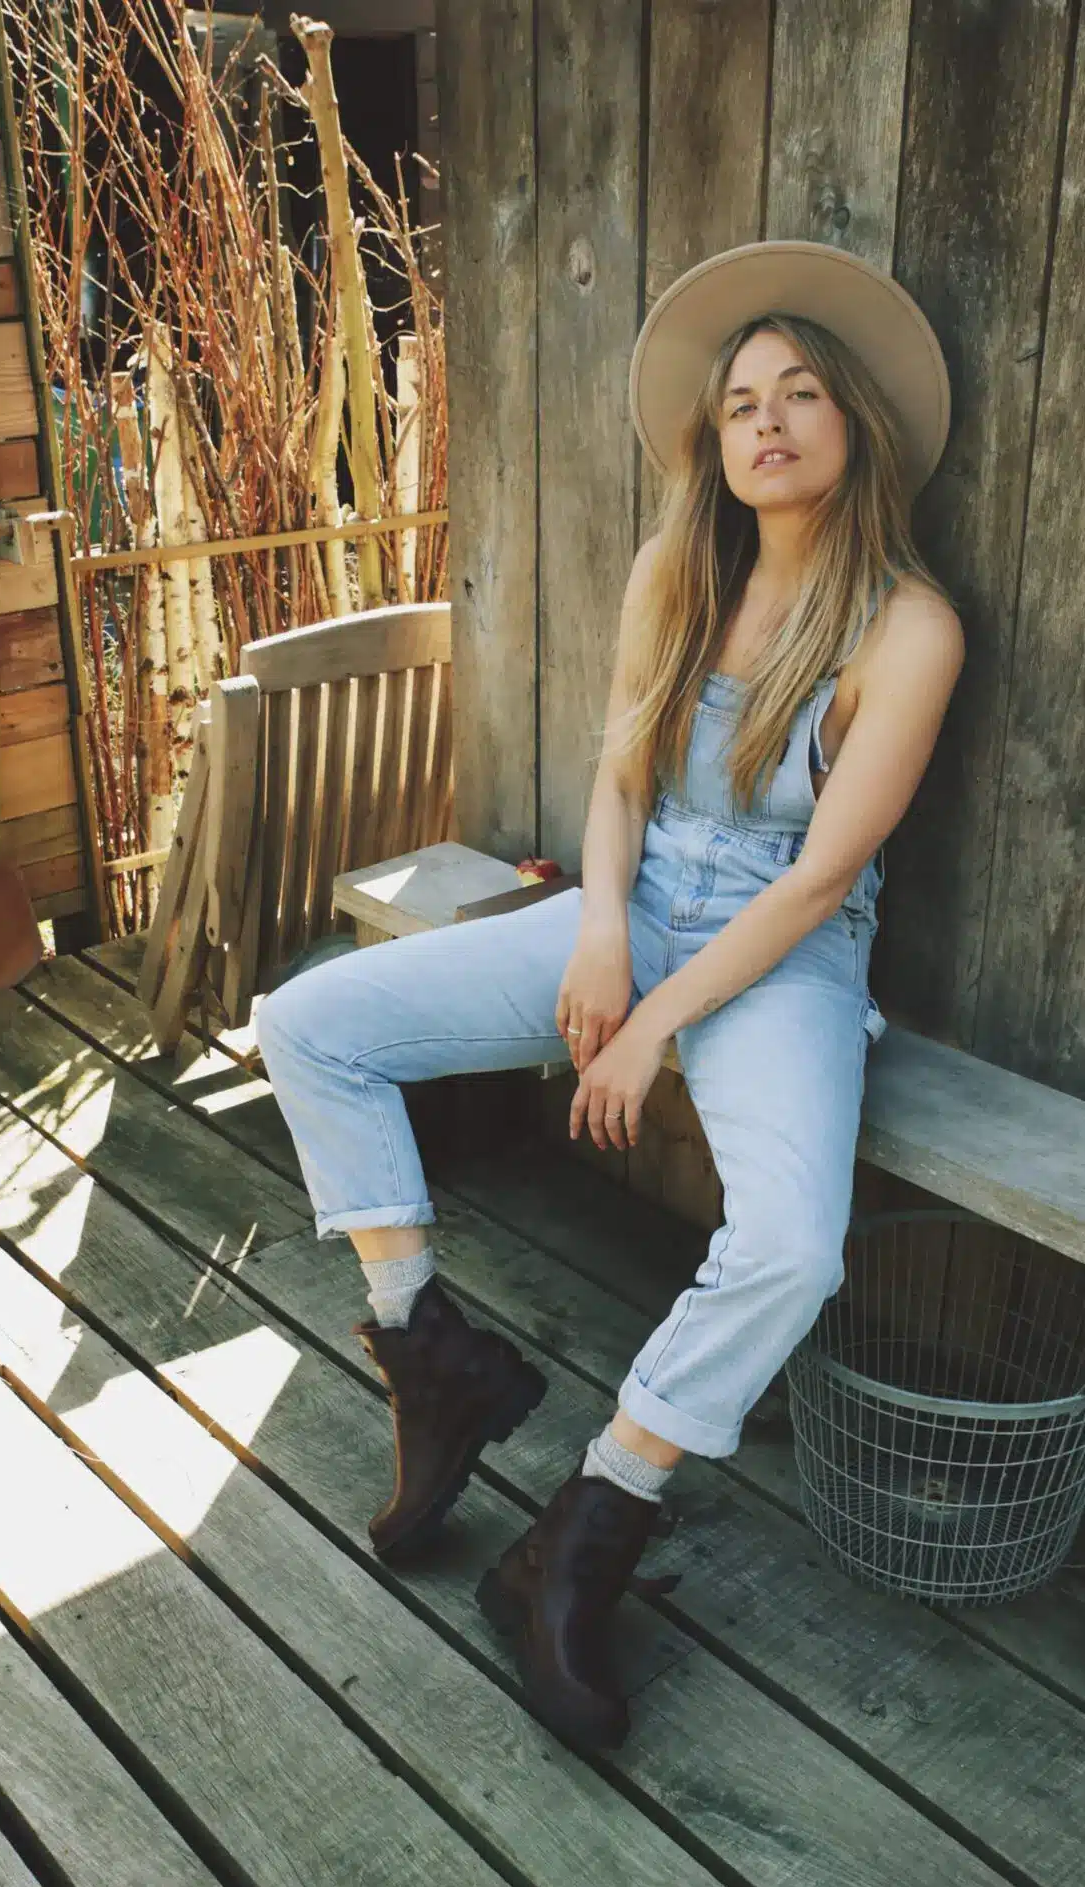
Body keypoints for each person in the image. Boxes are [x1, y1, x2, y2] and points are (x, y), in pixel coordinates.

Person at [256, 240, 965, 1751]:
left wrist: (652, 1023)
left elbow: (817, 883)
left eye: (801, 395)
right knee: (310, 1024)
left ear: (853, 424)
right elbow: (625, 775)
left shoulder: (909, 628)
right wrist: (595, 936)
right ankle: (432, 1356)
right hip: (628, 907)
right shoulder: (676, 573)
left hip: (785, 957)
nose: (768, 423)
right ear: (716, 440)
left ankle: (587, 1527)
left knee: (792, 1247)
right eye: (742, 404)